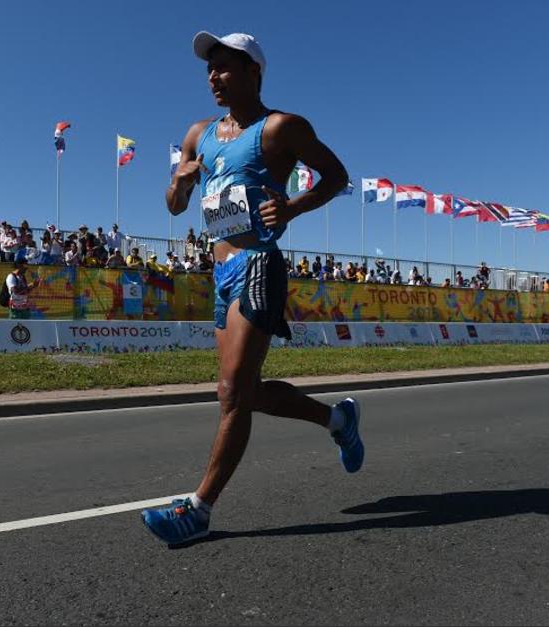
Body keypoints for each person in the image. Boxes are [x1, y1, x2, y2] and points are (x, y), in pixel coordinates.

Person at [141, 31, 362, 547]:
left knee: (233, 392)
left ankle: (199, 509)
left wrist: (292, 207)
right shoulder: (199, 133)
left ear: (253, 72)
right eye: (209, 69)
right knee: (244, 392)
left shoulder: (281, 127)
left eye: (224, 67)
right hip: (218, 272)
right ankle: (337, 419)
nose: (213, 76)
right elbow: (174, 206)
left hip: (260, 263)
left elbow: (336, 176)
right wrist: (182, 179)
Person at [6, 249, 41, 319]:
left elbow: (25, 292)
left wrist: (33, 286)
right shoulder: (11, 277)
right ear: (19, 266)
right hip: (15, 310)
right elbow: (15, 291)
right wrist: (29, 286)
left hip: (25, 309)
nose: (26, 268)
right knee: (14, 328)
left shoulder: (22, 277)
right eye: (25, 266)